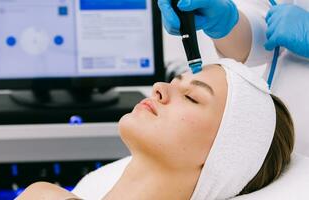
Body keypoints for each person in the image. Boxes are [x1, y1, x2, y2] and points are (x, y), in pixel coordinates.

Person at [16, 60, 294, 200]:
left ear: (224, 157)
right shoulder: (43, 195)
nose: (160, 88)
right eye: (174, 81)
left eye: (191, 97)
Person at [158, 0, 309, 155]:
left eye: (192, 98)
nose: (157, 88)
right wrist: (226, 23)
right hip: (275, 142)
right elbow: (270, 32)